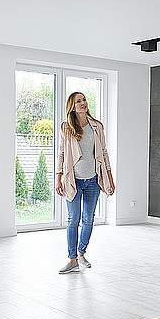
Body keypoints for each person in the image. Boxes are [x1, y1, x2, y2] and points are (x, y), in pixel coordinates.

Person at [56, 92, 115, 274]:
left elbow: (103, 153)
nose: (83, 103)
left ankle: (82, 254)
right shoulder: (66, 127)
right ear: (72, 107)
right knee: (73, 219)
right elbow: (62, 154)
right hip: (73, 180)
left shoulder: (97, 126)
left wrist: (110, 178)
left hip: (93, 181)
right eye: (78, 101)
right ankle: (72, 259)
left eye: (84, 100)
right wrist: (58, 178)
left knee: (88, 220)